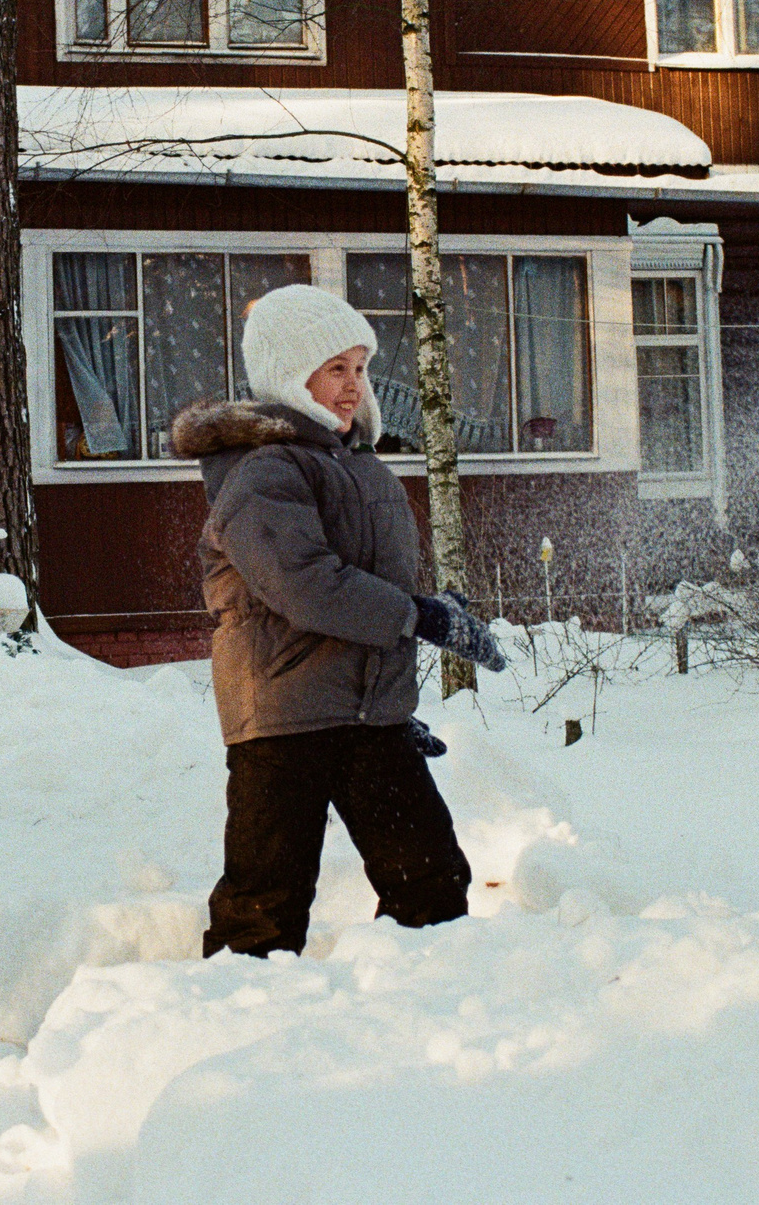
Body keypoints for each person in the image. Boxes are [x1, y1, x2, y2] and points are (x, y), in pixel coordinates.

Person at [168, 282, 507, 958]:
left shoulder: (360, 469)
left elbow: (373, 584)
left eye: (359, 368)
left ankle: (421, 1012)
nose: (353, 386)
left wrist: (390, 681)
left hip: (366, 719)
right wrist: (420, 617)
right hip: (283, 718)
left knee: (432, 882)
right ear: (292, 377)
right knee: (265, 903)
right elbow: (309, 587)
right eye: (334, 369)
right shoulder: (261, 473)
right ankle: (232, 1032)